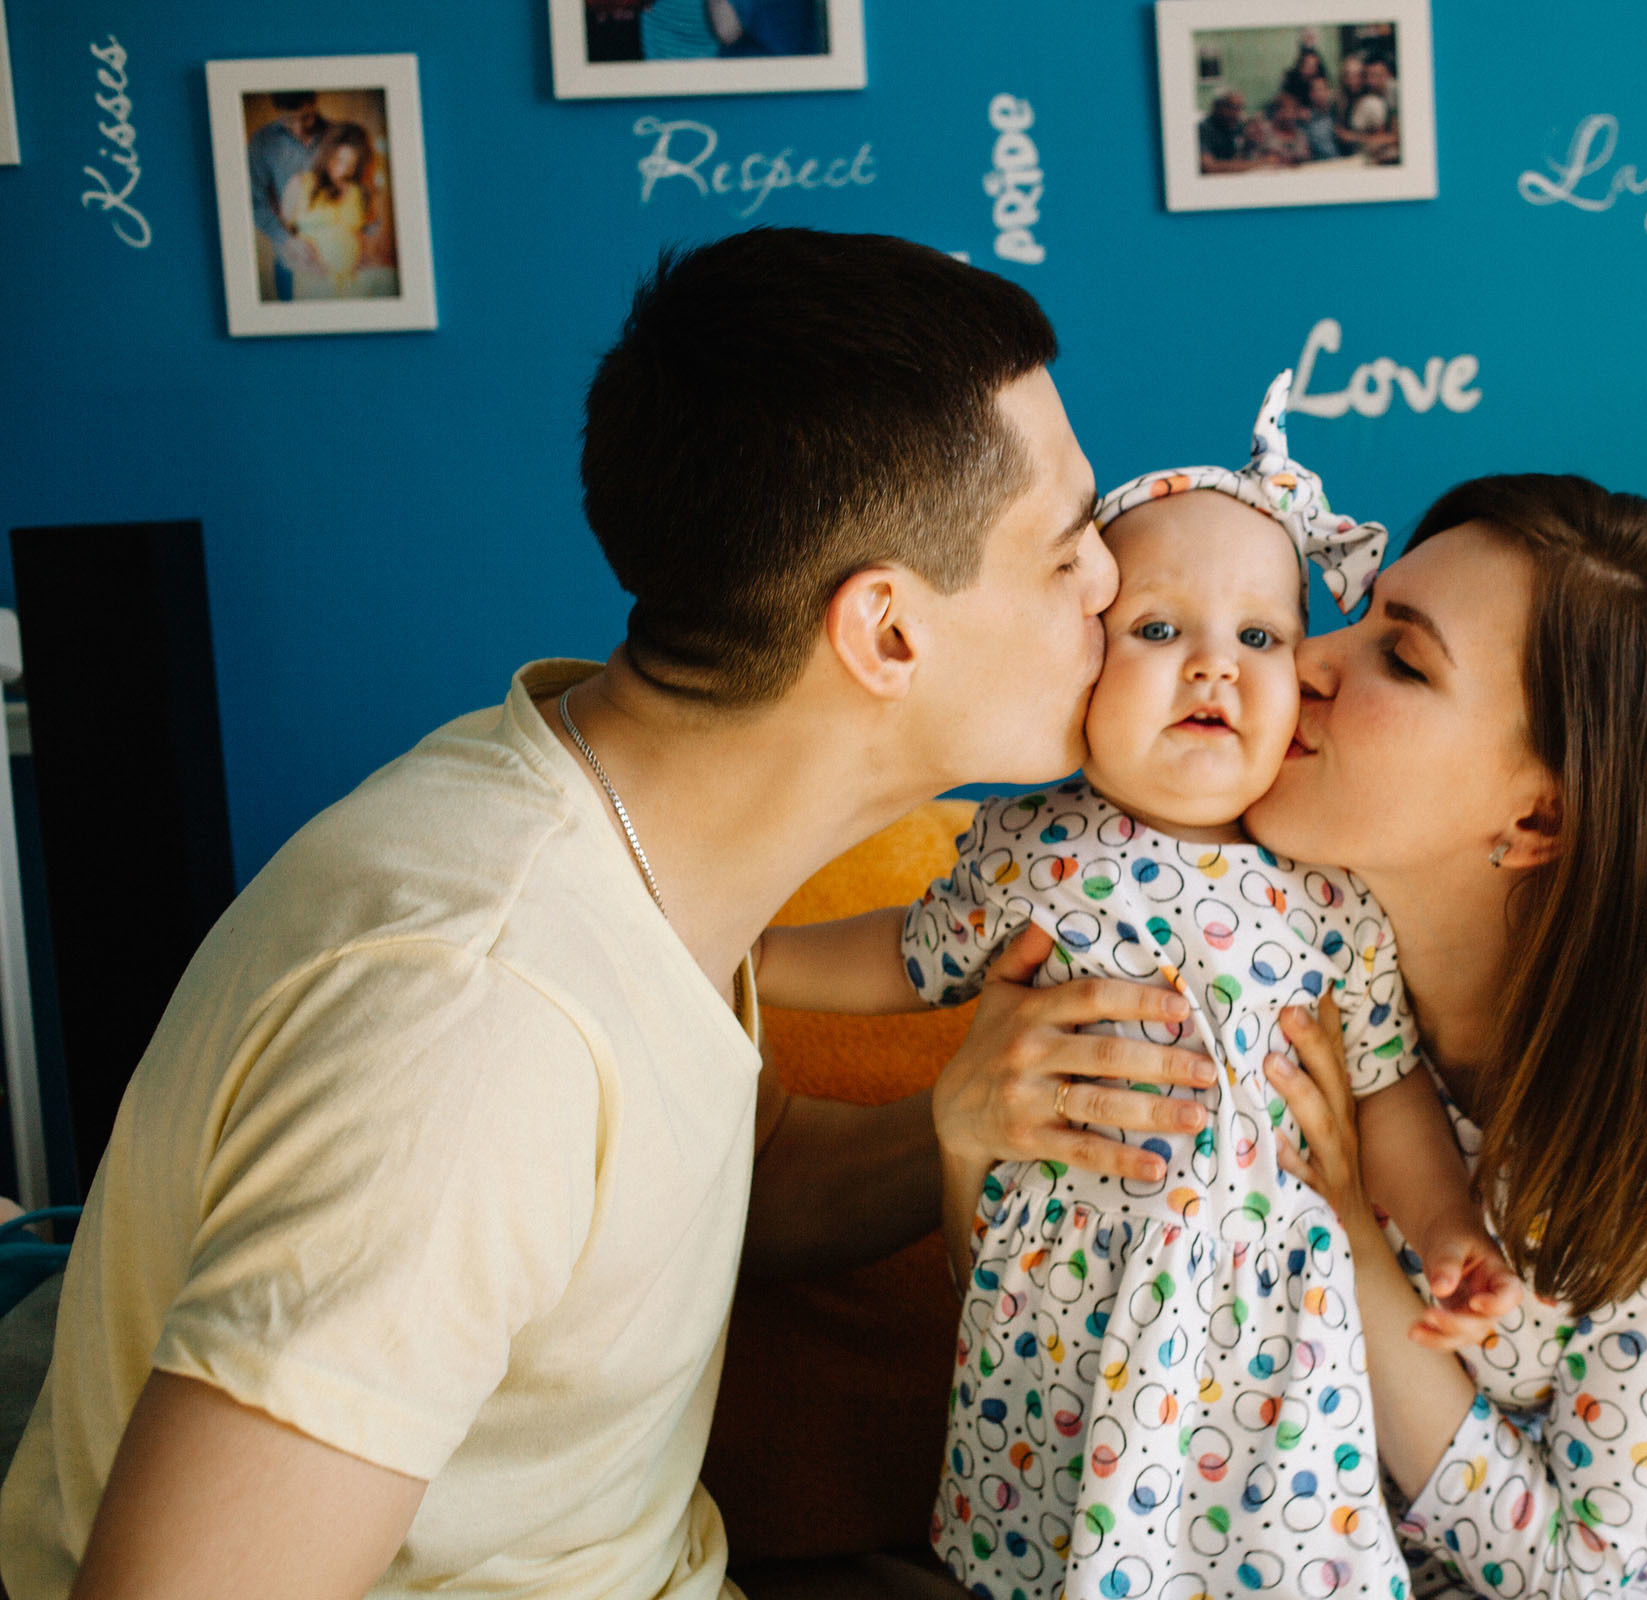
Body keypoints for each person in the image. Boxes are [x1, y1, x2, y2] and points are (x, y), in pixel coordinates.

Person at [0, 228, 1220, 1600]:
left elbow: (658, 1208)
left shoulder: (629, 823)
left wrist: (956, 1123)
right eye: (1067, 553)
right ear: (885, 633)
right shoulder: (471, 1020)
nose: (1118, 584)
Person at [759, 373, 1519, 1600]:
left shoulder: (1330, 890)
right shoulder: (1033, 846)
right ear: (1083, 671)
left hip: (1268, 1338)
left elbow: (1384, 1093)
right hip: (1065, 1314)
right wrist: (752, 950)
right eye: (1160, 631)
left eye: (1260, 638)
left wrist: (1446, 1233)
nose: (1214, 669)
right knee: (1051, 1556)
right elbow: (910, 953)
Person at [1247, 475, 1647, 1597]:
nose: (1303, 661)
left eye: (1403, 657)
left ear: (1538, 817)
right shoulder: (1244, 934)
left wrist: (1347, 1220)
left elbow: (1574, 1568)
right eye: (1361, 615)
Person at [279, 121, 383, 297]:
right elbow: (282, 236)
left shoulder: (358, 191)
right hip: (313, 283)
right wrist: (294, 252)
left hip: (354, 286)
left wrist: (366, 254)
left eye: (350, 165)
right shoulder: (299, 184)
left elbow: (360, 234)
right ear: (327, 153)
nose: (341, 171)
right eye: (338, 160)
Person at [245, 91, 326, 302]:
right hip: (290, 256)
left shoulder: (336, 135)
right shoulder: (263, 141)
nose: (299, 128)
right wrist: (286, 240)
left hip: (336, 258)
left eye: (306, 117)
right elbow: (253, 200)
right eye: (289, 120)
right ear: (277, 110)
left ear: (314, 103)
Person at [1198, 91, 1258, 173]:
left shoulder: (1237, 126)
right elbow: (1209, 167)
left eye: (1240, 108)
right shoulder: (1204, 129)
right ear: (1217, 107)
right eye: (1232, 108)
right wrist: (1256, 164)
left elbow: (1243, 156)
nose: (1237, 113)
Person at [1254, 90, 1315, 166]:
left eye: (1293, 110)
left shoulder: (1300, 135)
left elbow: (1306, 160)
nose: (1289, 115)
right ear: (1276, 112)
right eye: (1285, 110)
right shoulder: (1263, 132)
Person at [1302, 76, 1344, 161]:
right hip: (1318, 165)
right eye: (1317, 90)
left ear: (1329, 92)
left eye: (1323, 89)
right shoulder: (1305, 118)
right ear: (1311, 94)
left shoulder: (1338, 112)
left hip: (1341, 162)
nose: (1320, 94)